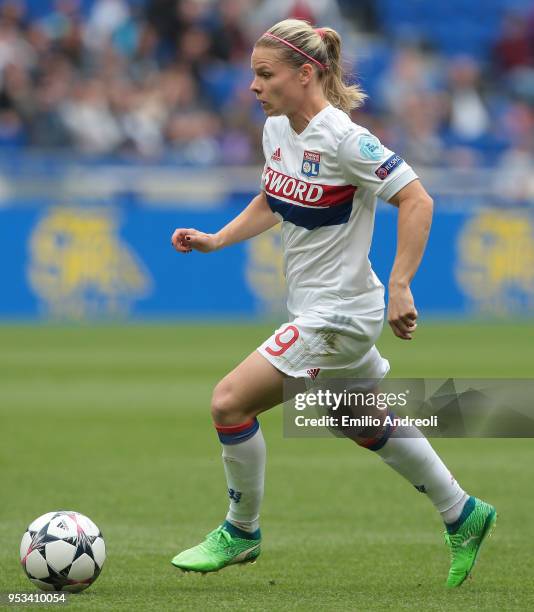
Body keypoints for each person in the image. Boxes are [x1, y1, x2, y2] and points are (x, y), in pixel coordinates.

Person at [170, 19, 496, 587]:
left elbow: (418, 199)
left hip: (341, 314)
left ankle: (241, 531)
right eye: (252, 74)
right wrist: (218, 238)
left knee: (229, 402)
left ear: (305, 74)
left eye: (264, 74)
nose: (252, 85)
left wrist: (402, 285)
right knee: (353, 417)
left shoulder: (347, 139)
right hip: (319, 309)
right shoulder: (277, 131)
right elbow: (274, 199)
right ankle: (462, 512)